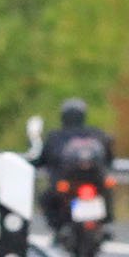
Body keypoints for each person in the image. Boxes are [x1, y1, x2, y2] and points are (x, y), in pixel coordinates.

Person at [32, 99, 116, 231]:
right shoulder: (96, 134)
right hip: (94, 181)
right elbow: (109, 158)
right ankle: (105, 222)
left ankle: (57, 228)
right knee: (107, 190)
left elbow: (42, 160)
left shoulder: (56, 136)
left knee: (46, 199)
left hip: (69, 183)